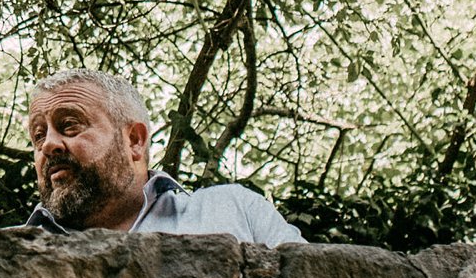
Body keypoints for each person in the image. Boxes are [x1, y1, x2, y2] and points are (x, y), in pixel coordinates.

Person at [20, 67, 301, 243]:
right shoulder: (7, 252)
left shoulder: (234, 212)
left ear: (134, 141)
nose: (48, 145)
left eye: (69, 125)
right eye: (39, 135)